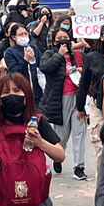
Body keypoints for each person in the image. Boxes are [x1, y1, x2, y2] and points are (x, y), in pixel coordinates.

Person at [0, 73, 64, 206]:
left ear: (27, 95)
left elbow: (60, 155)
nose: (12, 95)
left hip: (35, 200)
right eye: (5, 92)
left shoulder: (37, 121)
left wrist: (40, 143)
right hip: (0, 202)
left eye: (17, 90)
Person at [39, 28, 87, 179]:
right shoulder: (50, 54)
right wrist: (59, 55)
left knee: (79, 134)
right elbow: (45, 67)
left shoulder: (78, 55)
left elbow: (90, 71)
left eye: (65, 38)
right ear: (54, 41)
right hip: (60, 101)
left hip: (78, 98)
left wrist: (82, 70)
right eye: (59, 38)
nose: (62, 40)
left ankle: (79, 166)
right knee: (62, 134)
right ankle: (58, 155)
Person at [75, 22, 104, 168]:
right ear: (102, 37)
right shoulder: (92, 57)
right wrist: (80, 107)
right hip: (98, 106)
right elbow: (84, 83)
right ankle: (102, 185)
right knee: (101, 148)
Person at [4, 23, 44, 102]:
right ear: (14, 37)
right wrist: (25, 60)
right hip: (21, 91)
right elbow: (14, 71)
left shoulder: (33, 48)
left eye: (25, 33)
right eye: (20, 34)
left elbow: (42, 63)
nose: (24, 36)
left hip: (37, 92)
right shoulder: (10, 52)